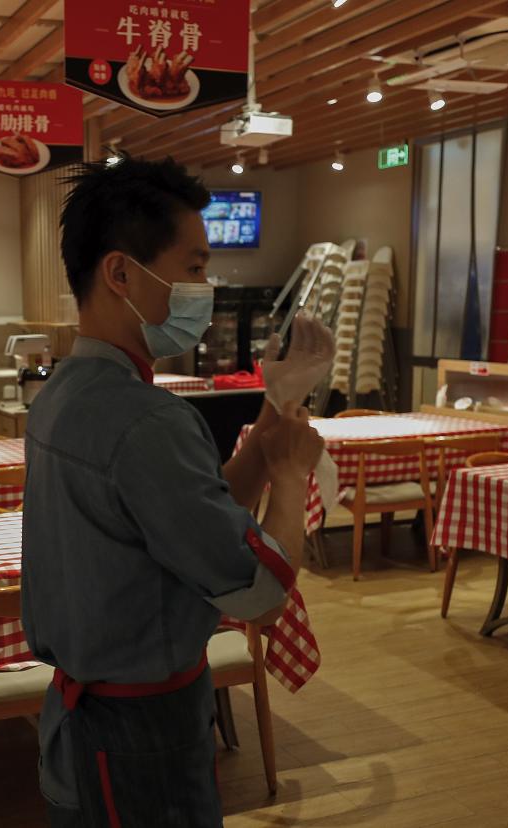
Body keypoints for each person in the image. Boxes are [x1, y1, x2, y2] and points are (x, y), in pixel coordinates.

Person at [22, 158, 331, 827]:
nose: (205, 287)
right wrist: (291, 472)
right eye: (192, 269)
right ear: (121, 273)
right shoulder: (146, 420)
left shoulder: (62, 395)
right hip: (141, 734)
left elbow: (192, 514)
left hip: (81, 721)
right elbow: (261, 587)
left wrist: (275, 414)